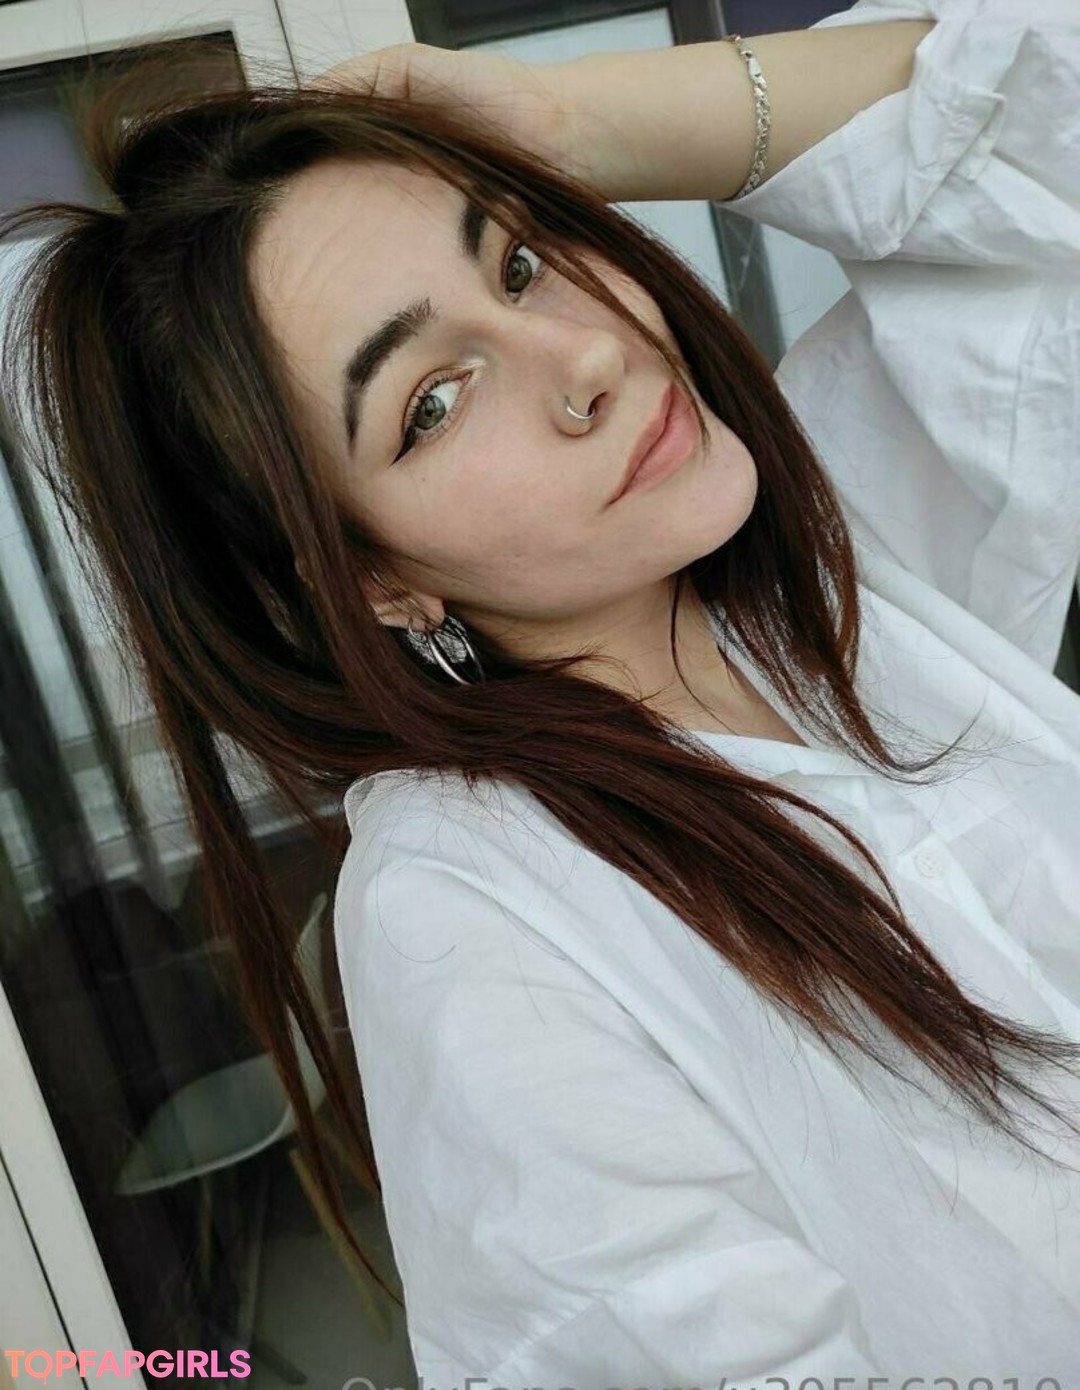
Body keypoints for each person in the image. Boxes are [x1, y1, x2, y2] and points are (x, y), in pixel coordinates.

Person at [3, 0, 1079, 1379]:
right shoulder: (468, 917)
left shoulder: (822, 571)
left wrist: (573, 122)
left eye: (519, 261)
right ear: (374, 580)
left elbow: (1039, 139)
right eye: (432, 403)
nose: (587, 359)